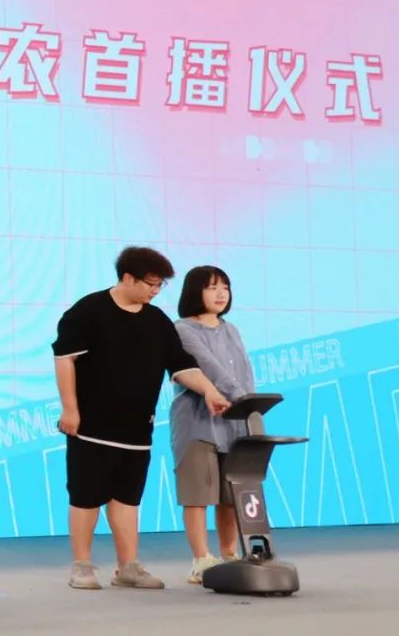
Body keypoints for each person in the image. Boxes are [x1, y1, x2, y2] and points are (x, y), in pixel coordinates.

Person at [52, 246, 231, 590]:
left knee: (127, 499)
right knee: (86, 496)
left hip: (137, 429)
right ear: (127, 278)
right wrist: (70, 409)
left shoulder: (157, 321)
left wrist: (209, 390)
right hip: (91, 427)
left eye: (160, 285)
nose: (155, 290)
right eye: (150, 283)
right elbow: (64, 359)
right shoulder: (88, 311)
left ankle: (128, 567)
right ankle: (82, 566)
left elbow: (181, 365)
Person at [170, 265, 252, 584]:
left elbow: (244, 372)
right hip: (198, 423)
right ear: (195, 291)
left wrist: (249, 407)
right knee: (198, 494)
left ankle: (229, 554)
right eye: (212, 287)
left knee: (230, 496)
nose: (221, 294)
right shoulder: (182, 329)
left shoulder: (232, 330)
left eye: (225, 287)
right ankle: (201, 559)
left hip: (234, 423)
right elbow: (210, 367)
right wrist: (241, 397)